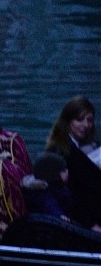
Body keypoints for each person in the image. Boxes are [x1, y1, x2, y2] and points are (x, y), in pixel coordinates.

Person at [45, 96, 101, 231]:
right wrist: (92, 225)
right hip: (83, 221)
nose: (85, 125)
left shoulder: (92, 146)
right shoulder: (57, 152)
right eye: (80, 119)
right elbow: (67, 195)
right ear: (68, 121)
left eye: (89, 120)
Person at [21, 152, 73, 222]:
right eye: (63, 170)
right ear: (54, 175)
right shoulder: (42, 191)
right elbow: (49, 204)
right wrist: (60, 215)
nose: (67, 171)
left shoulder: (57, 186)